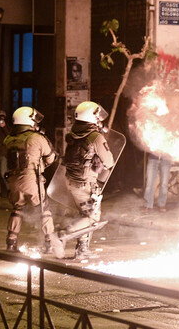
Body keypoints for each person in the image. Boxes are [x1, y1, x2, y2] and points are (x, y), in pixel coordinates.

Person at [61, 101, 114, 260]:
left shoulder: (74, 134)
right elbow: (109, 161)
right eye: (97, 116)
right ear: (91, 118)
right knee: (92, 217)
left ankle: (82, 249)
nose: (100, 120)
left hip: (72, 181)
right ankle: (62, 235)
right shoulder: (95, 137)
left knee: (84, 214)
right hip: (85, 183)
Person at [4, 106, 57, 253]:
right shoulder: (36, 138)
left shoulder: (8, 139)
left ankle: (11, 242)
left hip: (13, 180)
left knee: (17, 209)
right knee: (43, 210)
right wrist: (43, 164)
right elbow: (51, 157)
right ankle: (50, 242)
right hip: (31, 180)